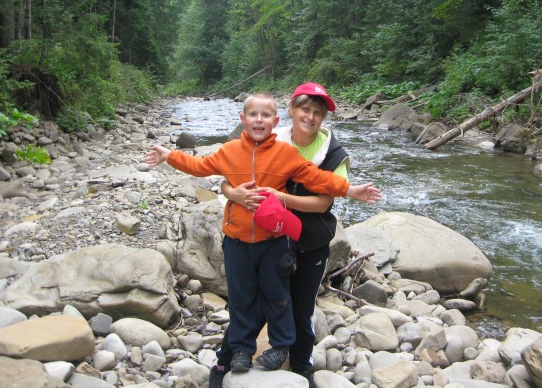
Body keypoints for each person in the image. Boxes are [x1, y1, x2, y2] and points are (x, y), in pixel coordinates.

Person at [145, 92, 380, 383]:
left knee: (278, 296)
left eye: (265, 115)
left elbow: (318, 179)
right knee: (242, 299)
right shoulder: (230, 150)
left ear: (275, 120)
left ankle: (282, 349)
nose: (259, 120)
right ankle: (240, 351)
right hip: (237, 241)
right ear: (242, 119)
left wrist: (351, 189)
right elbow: (201, 166)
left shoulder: (287, 154)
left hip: (275, 240)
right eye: (253, 115)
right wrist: (170, 156)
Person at [212, 83, 355, 388]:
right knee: (252, 301)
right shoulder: (267, 138)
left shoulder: (333, 153)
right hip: (271, 239)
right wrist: (232, 193)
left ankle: (301, 370)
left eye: (318, 112)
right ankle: (226, 363)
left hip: (309, 242)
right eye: (305, 109)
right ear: (290, 110)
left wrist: (279, 197)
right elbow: (229, 179)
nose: (311, 117)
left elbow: (322, 202)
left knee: (300, 310)